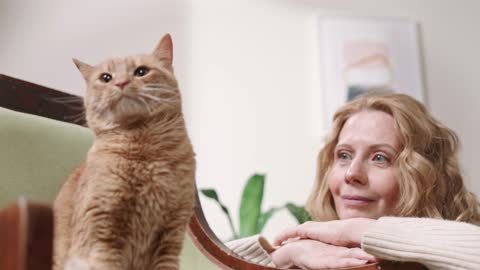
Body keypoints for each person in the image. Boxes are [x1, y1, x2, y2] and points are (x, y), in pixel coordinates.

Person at [227, 92, 480, 270]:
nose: (352, 173)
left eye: (380, 158)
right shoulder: (310, 259)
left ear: (424, 175)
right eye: (344, 155)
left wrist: (360, 230)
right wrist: (284, 257)